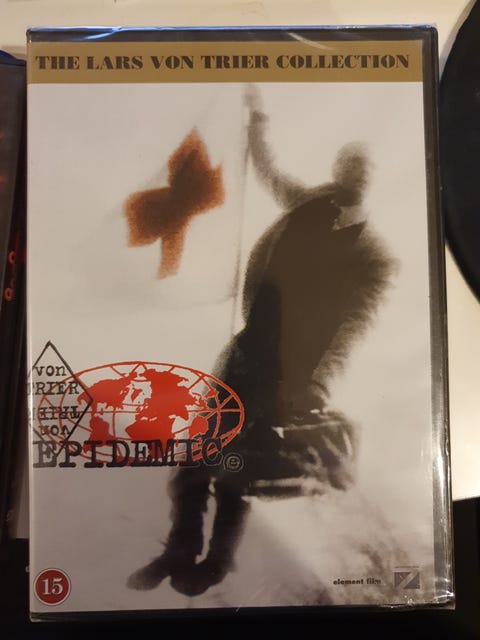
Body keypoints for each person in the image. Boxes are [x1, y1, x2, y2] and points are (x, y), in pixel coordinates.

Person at [127, 84, 396, 597]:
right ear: (338, 170)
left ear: (370, 180)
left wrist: (315, 383)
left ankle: (215, 561)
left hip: (287, 371)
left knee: (236, 463)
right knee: (198, 449)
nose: (355, 175)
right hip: (248, 346)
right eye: (349, 165)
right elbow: (269, 171)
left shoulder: (372, 258)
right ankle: (181, 549)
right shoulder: (311, 201)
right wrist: (257, 121)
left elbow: (352, 328)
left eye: (363, 169)